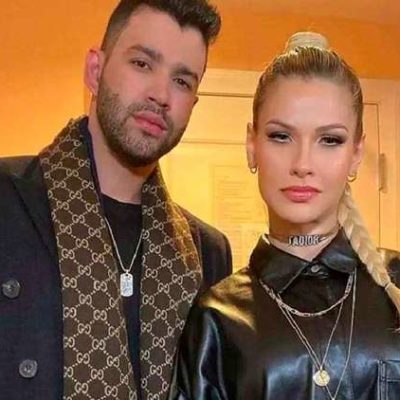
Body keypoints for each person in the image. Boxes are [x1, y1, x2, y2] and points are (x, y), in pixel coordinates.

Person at [0, 1, 232, 399]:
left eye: (182, 81)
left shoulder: (207, 252)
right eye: (142, 64)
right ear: (95, 70)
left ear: (193, 104)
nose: (161, 94)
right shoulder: (7, 200)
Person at [169, 32, 400, 400]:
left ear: (356, 154)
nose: (303, 164)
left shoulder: (396, 283)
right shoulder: (218, 319)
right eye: (281, 136)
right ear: (252, 145)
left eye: (330, 140)